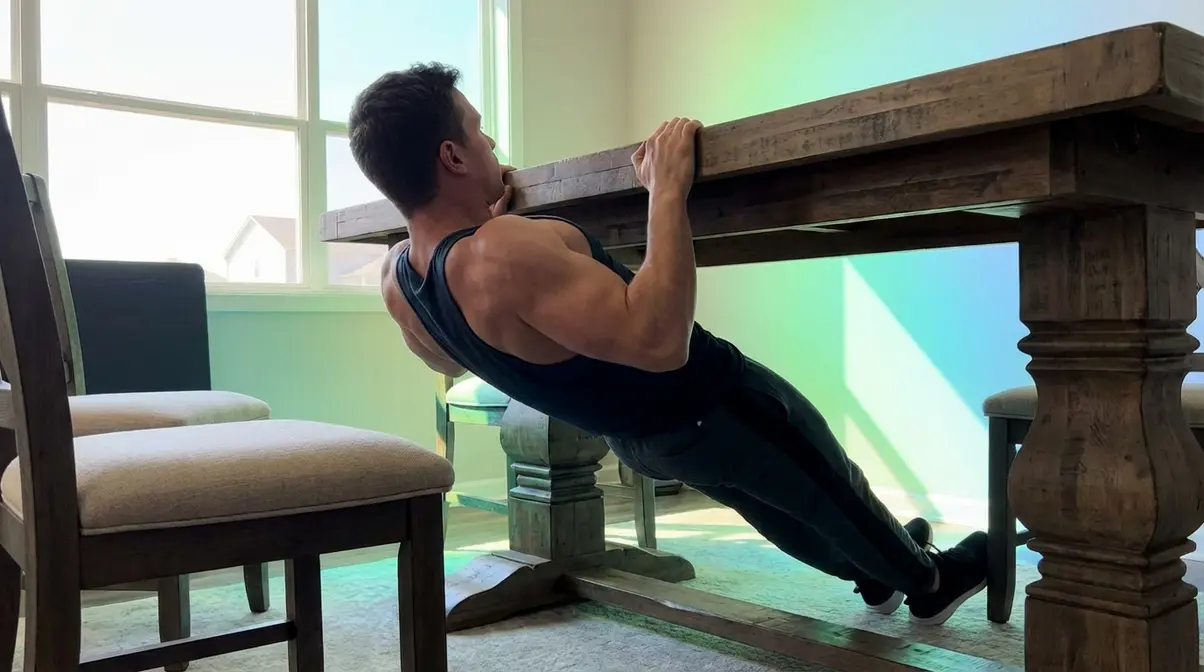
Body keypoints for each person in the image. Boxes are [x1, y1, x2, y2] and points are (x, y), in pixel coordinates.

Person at [349, 62, 989, 626]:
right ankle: (930, 583)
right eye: (477, 129)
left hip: (644, 441)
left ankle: (876, 570)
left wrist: (488, 228)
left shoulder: (399, 276)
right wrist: (666, 191)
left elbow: (452, 351)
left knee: (780, 504)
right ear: (453, 157)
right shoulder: (500, 252)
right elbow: (660, 342)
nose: (490, 142)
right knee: (827, 483)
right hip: (713, 402)